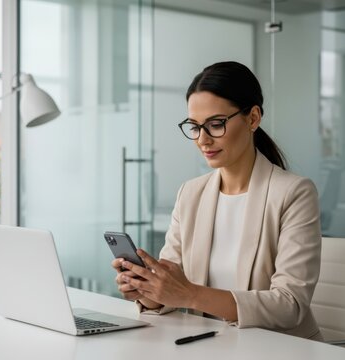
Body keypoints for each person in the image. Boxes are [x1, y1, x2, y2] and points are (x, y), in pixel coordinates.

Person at [112, 61, 322, 340]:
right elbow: (172, 286)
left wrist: (191, 295)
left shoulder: (294, 193)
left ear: (253, 118)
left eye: (215, 124)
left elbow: (289, 305)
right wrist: (150, 291)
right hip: (210, 344)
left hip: (276, 349)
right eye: (195, 127)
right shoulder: (190, 194)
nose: (203, 139)